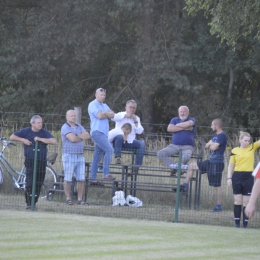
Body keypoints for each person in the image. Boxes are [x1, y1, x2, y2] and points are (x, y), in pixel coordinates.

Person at [10, 115, 56, 209]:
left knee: (38, 183)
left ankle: (34, 203)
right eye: (38, 123)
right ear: (32, 123)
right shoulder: (25, 131)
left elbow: (53, 141)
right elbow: (12, 137)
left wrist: (40, 139)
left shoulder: (44, 132)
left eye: (41, 123)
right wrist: (23, 140)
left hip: (42, 161)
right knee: (30, 183)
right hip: (30, 161)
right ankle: (28, 203)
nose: (40, 125)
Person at [182, 119, 227, 212]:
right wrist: (211, 144)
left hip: (217, 163)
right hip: (210, 161)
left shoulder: (222, 135)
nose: (211, 127)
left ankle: (219, 206)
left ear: (217, 126)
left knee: (216, 186)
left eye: (212, 125)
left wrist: (212, 144)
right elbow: (207, 146)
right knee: (192, 166)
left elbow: (213, 147)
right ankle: (185, 185)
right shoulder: (215, 135)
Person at [227, 131, 260, 228]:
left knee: (246, 201)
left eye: (249, 141)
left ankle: (245, 225)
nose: (247, 143)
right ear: (240, 140)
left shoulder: (252, 147)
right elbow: (231, 165)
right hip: (237, 176)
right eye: (245, 140)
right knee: (237, 201)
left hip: (248, 176)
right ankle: (237, 224)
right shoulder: (234, 150)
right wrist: (229, 177)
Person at [61, 110, 90, 206]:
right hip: (69, 155)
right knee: (68, 178)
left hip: (80, 156)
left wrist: (77, 136)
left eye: (74, 115)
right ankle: (68, 198)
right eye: (71, 115)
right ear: (67, 117)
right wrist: (80, 136)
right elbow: (72, 139)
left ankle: (80, 199)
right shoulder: (65, 127)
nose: (73, 117)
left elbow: (87, 135)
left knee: (81, 179)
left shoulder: (79, 126)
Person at [157, 106, 195, 177]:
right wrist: (184, 128)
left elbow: (189, 124)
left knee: (186, 157)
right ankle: (174, 168)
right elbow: (169, 129)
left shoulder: (191, 119)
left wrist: (177, 126)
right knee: (160, 153)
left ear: (188, 112)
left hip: (187, 146)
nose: (182, 113)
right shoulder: (174, 119)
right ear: (178, 112)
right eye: (181, 112)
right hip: (174, 146)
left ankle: (178, 169)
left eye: (184, 111)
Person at [88, 88, 115, 185]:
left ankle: (93, 178)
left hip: (104, 133)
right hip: (97, 132)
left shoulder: (105, 105)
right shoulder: (92, 104)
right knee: (110, 150)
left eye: (104, 95)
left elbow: (113, 115)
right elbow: (99, 116)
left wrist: (105, 113)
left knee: (97, 157)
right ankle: (106, 173)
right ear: (96, 95)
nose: (103, 97)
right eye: (101, 95)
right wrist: (106, 113)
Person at [112, 100, 145, 174]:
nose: (132, 109)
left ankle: (136, 167)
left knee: (142, 144)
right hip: (119, 142)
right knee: (119, 136)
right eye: (130, 107)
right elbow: (113, 117)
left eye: (134, 108)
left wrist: (136, 121)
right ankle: (117, 157)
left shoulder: (137, 118)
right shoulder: (120, 114)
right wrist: (125, 115)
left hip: (130, 142)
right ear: (126, 107)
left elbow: (139, 131)